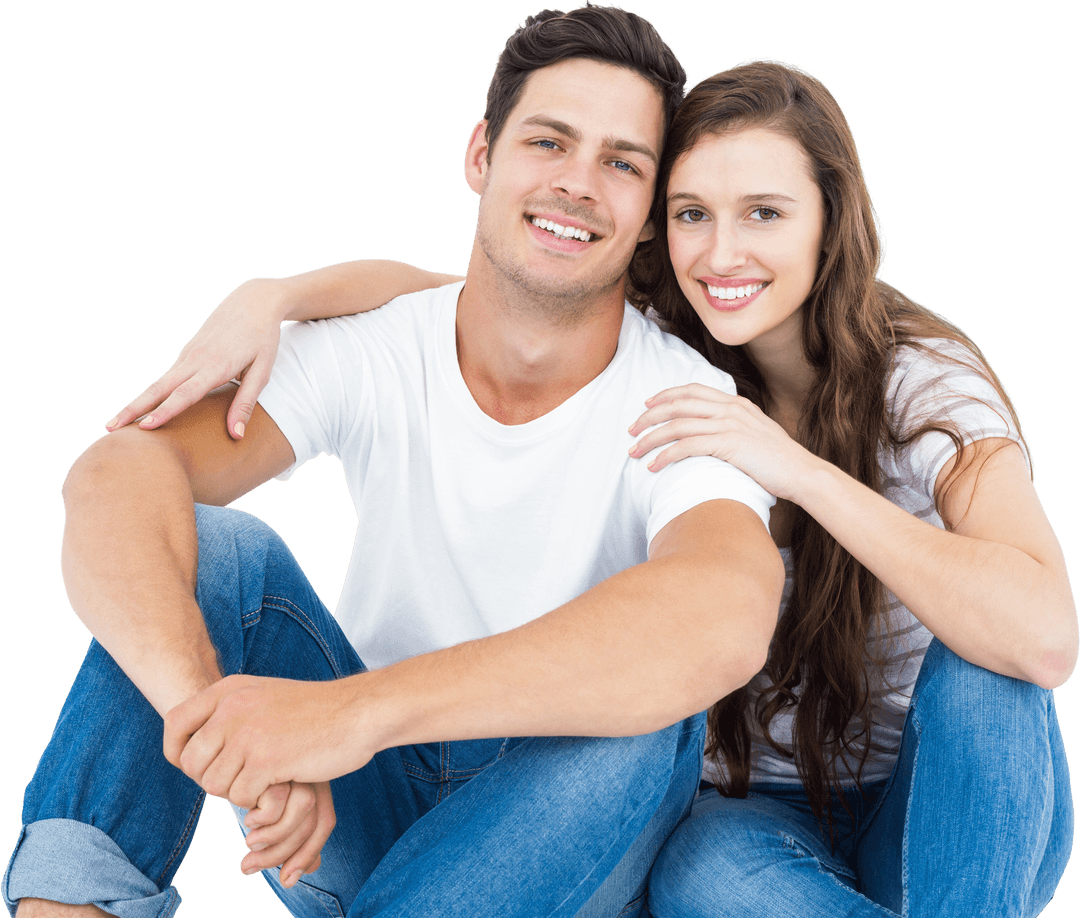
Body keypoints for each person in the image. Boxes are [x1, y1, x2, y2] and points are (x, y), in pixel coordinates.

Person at [118, 59, 1078, 916]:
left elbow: (1044, 637)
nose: (723, 254)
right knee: (702, 874)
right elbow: (463, 291)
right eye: (693, 214)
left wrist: (801, 474)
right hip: (749, 811)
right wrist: (277, 297)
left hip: (947, 805)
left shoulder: (924, 385)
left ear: (834, 220)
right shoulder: (674, 348)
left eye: (767, 214)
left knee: (992, 669)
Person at [2, 7, 786, 918]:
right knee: (219, 555)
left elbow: (725, 612)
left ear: (650, 216)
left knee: (652, 715)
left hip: (554, 830)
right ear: (481, 157)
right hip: (357, 805)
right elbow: (117, 478)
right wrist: (216, 722)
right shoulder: (380, 346)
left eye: (622, 162)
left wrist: (350, 716)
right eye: (549, 141)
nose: (579, 183)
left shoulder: (681, 397)